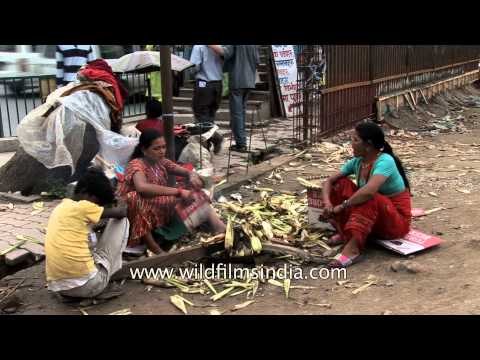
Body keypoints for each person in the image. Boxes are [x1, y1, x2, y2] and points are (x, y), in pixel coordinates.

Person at [116, 129, 226, 254]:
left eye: (163, 147)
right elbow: (142, 188)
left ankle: (222, 230)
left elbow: (182, 170)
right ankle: (153, 248)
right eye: (156, 148)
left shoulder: (161, 162)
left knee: (195, 194)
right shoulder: (136, 164)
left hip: (153, 205)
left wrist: (192, 175)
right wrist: (178, 192)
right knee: (134, 197)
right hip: (134, 210)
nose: (162, 151)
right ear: (144, 150)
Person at [321, 121, 412, 268]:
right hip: (374, 219)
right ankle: (347, 234)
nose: (351, 144)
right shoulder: (358, 162)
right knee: (339, 183)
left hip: (395, 224)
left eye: (355, 140)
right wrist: (328, 205)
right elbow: (328, 181)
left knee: (369, 197)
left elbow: (369, 192)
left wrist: (342, 206)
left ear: (368, 145)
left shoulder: (385, 161)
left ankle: (353, 249)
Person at [45, 168, 129, 299]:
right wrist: (120, 197)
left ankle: (86, 281)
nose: (97, 207)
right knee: (122, 221)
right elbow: (121, 212)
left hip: (60, 288)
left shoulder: (62, 207)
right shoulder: (84, 206)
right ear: (85, 193)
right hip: (89, 286)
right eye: (96, 202)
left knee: (93, 231)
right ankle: (106, 278)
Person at [208, 45, 259, 152]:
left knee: (237, 114)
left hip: (238, 80)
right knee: (241, 113)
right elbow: (257, 61)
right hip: (249, 81)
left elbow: (224, 52)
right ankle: (241, 141)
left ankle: (241, 144)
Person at [190, 45, 225, 154]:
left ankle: (215, 138)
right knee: (210, 115)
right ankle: (207, 144)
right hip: (218, 84)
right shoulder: (220, 46)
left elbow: (195, 66)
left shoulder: (198, 47)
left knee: (201, 116)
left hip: (204, 84)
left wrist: (191, 73)